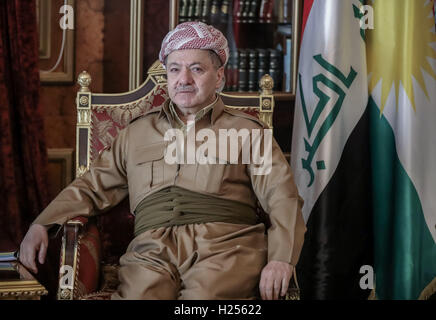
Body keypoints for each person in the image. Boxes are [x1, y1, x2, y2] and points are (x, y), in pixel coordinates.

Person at [19, 21, 306, 300]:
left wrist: (282, 259)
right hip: (150, 251)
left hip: (227, 247)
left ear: (219, 76)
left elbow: (282, 197)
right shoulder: (136, 133)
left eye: (197, 69)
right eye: (175, 69)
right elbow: (91, 187)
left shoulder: (248, 132)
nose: (184, 79)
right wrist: (42, 224)